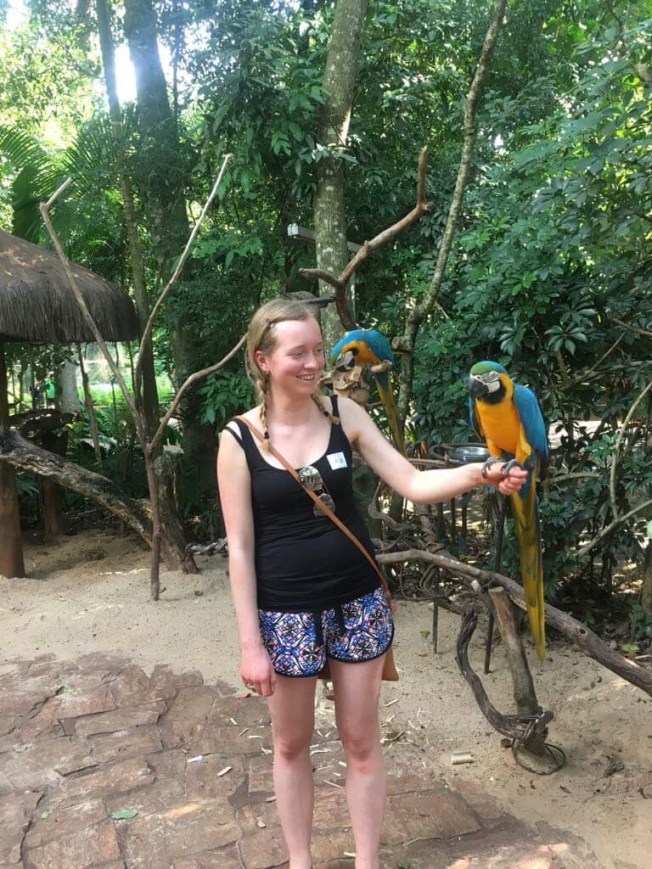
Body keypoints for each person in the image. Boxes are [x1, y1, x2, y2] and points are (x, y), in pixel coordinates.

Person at [216, 299, 527, 869]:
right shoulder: (238, 440)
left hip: (358, 601)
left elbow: (411, 481)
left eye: (318, 350)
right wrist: (249, 644)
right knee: (291, 744)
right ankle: (300, 861)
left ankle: (368, 862)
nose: (315, 363)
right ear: (263, 360)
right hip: (285, 613)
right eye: (299, 353)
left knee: (361, 741)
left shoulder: (344, 415)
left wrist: (481, 472)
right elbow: (239, 547)